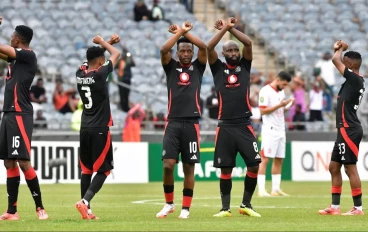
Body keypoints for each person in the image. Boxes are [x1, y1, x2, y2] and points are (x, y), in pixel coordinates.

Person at [207, 17, 261, 217]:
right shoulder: (218, 69)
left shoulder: (245, 67)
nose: (233, 53)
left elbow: (248, 42)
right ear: (223, 54)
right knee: (226, 169)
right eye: (229, 51)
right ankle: (225, 208)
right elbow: (208, 47)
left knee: (254, 164)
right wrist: (224, 31)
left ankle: (246, 205)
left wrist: (232, 28)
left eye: (235, 50)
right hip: (225, 126)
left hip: (244, 125)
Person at [156, 21, 207, 219]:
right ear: (177, 53)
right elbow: (163, 49)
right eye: (182, 51)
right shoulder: (170, 67)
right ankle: (169, 204)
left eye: (188, 51)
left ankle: (185, 209)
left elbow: (204, 47)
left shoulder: (198, 68)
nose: (186, 54)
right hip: (173, 122)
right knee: (168, 165)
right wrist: (179, 34)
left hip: (192, 124)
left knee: (188, 168)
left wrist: (185, 33)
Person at [0, 24, 49, 220]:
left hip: (20, 113)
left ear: (18, 40)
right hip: (9, 113)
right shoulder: (15, 58)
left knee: (23, 162)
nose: (10, 38)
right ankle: (12, 212)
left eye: (12, 36)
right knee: (8, 161)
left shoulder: (28, 55)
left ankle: (40, 208)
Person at [75, 34, 120, 220]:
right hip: (100, 128)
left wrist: (103, 45)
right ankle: (84, 202)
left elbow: (93, 60)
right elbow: (116, 53)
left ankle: (88, 211)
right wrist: (104, 42)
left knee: (86, 170)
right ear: (101, 61)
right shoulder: (101, 74)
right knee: (104, 170)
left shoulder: (79, 73)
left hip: (84, 127)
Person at [319, 40, 365, 216]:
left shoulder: (354, 78)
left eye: (345, 61)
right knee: (333, 167)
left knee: (350, 168)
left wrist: (339, 49)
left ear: (351, 64)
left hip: (349, 128)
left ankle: (358, 208)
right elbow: (337, 61)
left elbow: (334, 60)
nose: (342, 65)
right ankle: (335, 207)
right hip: (344, 129)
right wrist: (340, 51)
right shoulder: (353, 81)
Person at [257, 71, 293, 197]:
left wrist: (287, 106)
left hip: (280, 129)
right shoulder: (265, 91)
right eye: (283, 84)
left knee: (279, 159)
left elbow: (280, 109)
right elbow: (262, 111)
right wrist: (280, 105)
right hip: (270, 129)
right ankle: (261, 190)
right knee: (265, 159)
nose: (284, 87)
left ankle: (275, 189)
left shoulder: (280, 92)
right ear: (278, 80)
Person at [115, 48, 135, 112]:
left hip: (127, 79)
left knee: (126, 94)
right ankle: (122, 106)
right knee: (122, 94)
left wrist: (130, 57)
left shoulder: (128, 60)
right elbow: (115, 67)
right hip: (121, 80)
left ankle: (126, 107)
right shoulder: (120, 61)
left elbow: (133, 64)